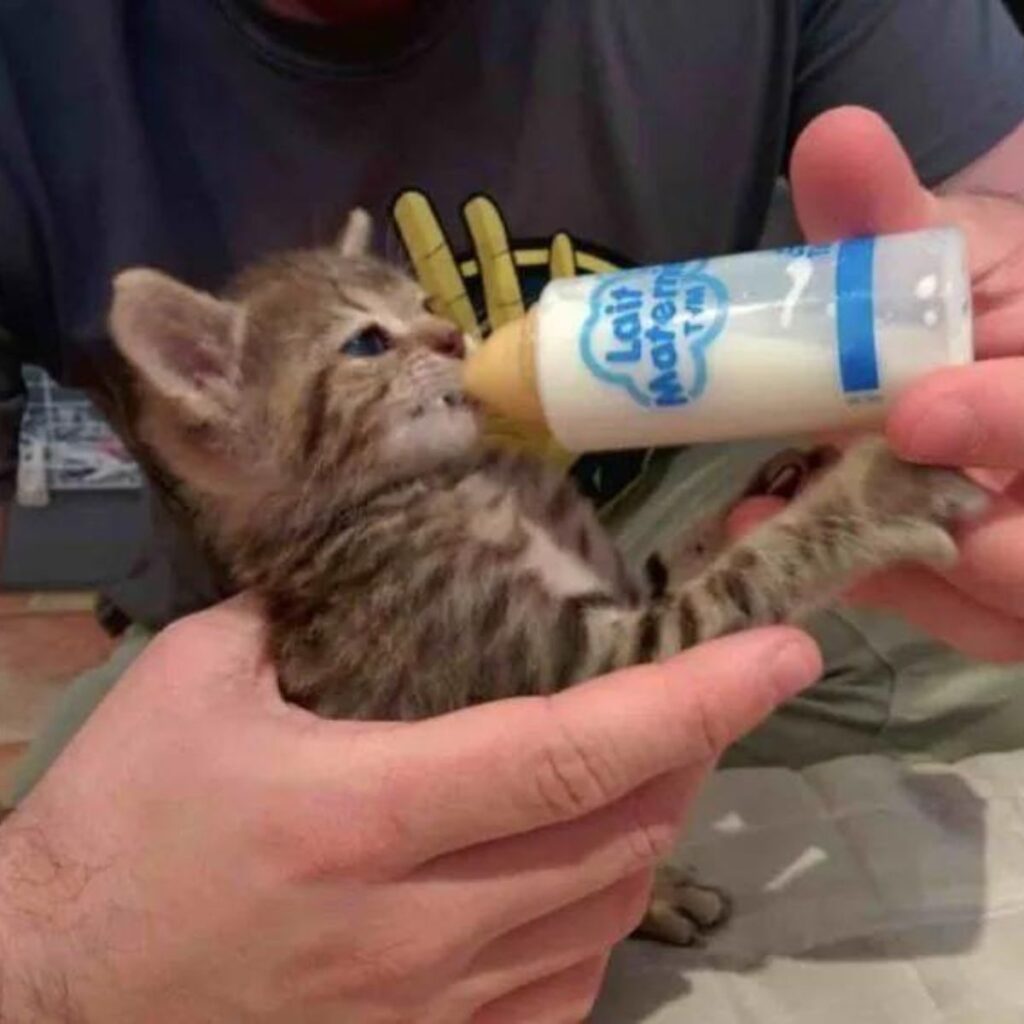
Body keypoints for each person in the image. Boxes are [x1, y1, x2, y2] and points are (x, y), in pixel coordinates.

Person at [0, 1, 1023, 1019]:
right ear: (222, 415)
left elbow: (611, 636)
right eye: (370, 344)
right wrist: (50, 940)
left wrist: (990, 275)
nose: (443, 341)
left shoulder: (457, 499)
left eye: (419, 317)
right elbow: (629, 664)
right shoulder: (386, 572)